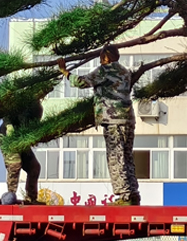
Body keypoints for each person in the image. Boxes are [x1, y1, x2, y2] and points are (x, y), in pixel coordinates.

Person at [58, 45, 140, 205]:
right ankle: (133, 193)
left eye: (102, 56)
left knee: (115, 156)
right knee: (127, 156)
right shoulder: (124, 71)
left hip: (113, 119)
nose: (100, 59)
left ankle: (124, 196)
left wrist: (66, 73)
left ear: (106, 57)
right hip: (128, 119)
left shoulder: (105, 70)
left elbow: (82, 82)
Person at [0, 99, 43, 205]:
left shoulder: (37, 109)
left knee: (34, 167)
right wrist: (9, 125)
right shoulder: (19, 99)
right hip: (7, 137)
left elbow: (35, 126)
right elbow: (5, 111)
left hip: (22, 139)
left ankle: (31, 198)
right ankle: (10, 196)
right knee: (14, 164)